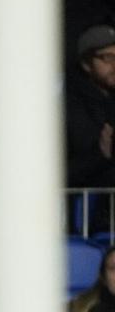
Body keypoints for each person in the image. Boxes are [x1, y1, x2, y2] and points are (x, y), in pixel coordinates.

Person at [66, 23, 115, 190]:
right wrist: (101, 154)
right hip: (84, 211)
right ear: (87, 64)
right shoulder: (68, 108)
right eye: (108, 58)